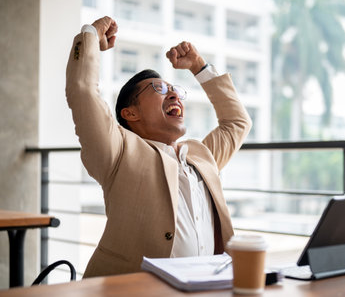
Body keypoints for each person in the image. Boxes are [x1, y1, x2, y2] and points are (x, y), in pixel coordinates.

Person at [65, 16, 252, 278]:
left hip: (206, 286)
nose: (174, 94)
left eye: (175, 90)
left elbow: (237, 121)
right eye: (160, 89)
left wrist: (199, 66)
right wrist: (91, 37)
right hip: (134, 289)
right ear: (130, 114)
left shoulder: (201, 154)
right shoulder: (117, 151)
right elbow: (82, 90)